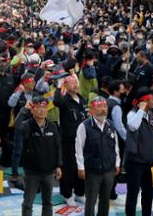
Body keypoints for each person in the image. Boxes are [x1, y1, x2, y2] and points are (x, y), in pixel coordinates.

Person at [15, 96, 62, 216]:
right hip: (32, 172)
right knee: (28, 203)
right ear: (32, 110)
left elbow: (58, 147)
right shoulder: (26, 125)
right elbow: (17, 125)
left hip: (49, 172)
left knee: (47, 202)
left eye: (44, 107)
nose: (42, 110)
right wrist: (24, 109)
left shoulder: (52, 126)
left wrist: (58, 166)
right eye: (38, 107)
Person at [75, 96, 120, 216]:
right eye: (99, 107)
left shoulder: (110, 124)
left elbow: (115, 146)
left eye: (105, 106)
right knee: (91, 200)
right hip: (92, 171)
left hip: (109, 170)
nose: (103, 109)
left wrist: (117, 163)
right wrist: (81, 167)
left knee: (105, 199)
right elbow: (79, 148)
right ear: (92, 110)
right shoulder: (84, 126)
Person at [53, 73, 87, 206]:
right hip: (68, 140)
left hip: (83, 141)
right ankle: (67, 194)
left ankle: (80, 192)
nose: (76, 85)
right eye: (72, 83)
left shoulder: (82, 99)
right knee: (68, 168)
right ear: (66, 86)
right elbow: (56, 101)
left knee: (81, 166)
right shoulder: (64, 100)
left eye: (76, 83)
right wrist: (58, 87)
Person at [124, 87, 153, 216]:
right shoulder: (132, 114)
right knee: (133, 193)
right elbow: (133, 126)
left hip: (149, 161)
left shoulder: (150, 115)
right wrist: (141, 109)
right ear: (144, 101)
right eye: (152, 100)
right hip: (135, 162)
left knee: (149, 191)